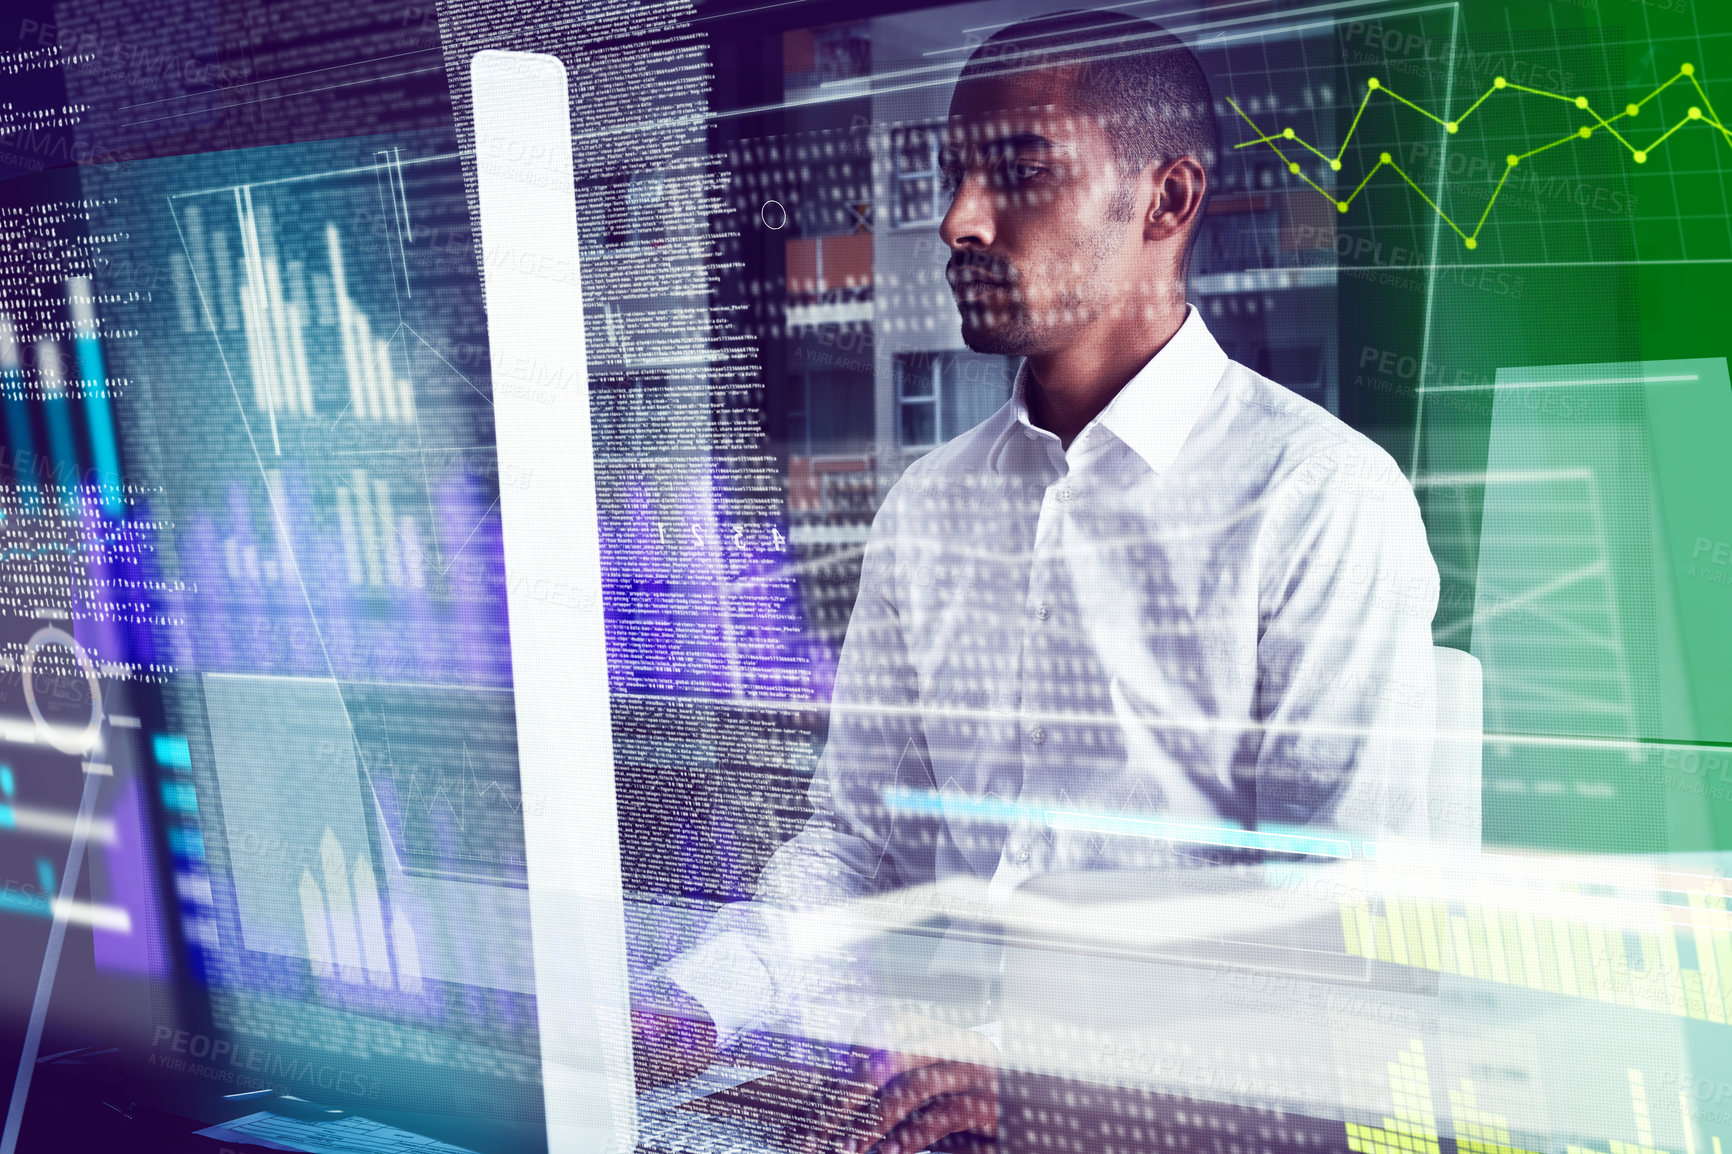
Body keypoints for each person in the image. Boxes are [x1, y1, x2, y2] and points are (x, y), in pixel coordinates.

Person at [634, 9, 1441, 1151]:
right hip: (929, 1101)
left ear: (1165, 202)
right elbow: (859, 843)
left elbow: (1337, 925)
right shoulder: (930, 506)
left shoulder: (1317, 496)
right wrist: (691, 1004)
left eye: (1018, 172)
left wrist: (1057, 1083)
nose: (956, 219)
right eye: (952, 174)